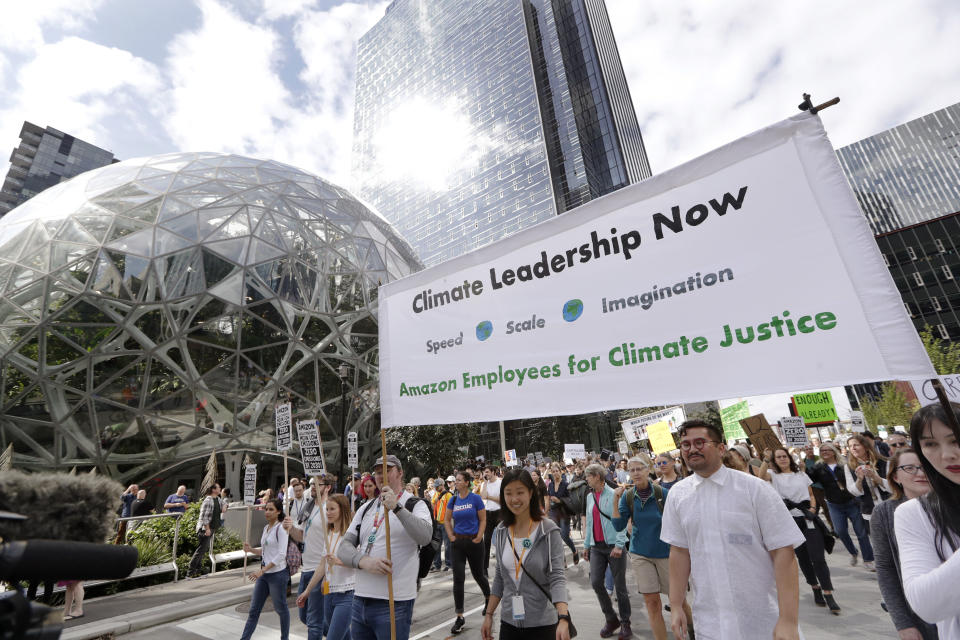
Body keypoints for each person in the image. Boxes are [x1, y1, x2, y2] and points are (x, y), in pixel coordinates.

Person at [661, 419, 805, 640]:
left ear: (721, 448)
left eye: (700, 442)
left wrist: (788, 620)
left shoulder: (754, 489)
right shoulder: (677, 495)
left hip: (764, 621)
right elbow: (679, 552)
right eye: (686, 444)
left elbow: (783, 553)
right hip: (709, 623)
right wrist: (676, 604)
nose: (692, 449)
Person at [336, 455, 433, 640]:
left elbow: (425, 536)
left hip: (394, 604)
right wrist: (364, 561)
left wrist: (397, 508)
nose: (381, 476)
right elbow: (343, 547)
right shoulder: (366, 508)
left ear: (400, 473)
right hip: (360, 600)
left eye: (387, 470)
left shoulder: (415, 504)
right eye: (378, 472)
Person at [481, 469, 571, 640]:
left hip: (542, 625)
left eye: (520, 492)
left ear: (531, 493)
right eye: (508, 493)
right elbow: (500, 576)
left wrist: (563, 618)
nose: (514, 499)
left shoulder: (548, 530)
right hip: (508, 623)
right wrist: (489, 615)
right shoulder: (500, 532)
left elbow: (557, 577)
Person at [895, 403, 960, 638]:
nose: (947, 454)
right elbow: (927, 606)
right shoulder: (915, 514)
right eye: (930, 444)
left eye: (955, 440)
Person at [612, 454, 692, 640]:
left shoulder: (662, 493)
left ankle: (694, 632)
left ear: (648, 470)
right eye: (632, 470)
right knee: (652, 603)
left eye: (639, 469)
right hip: (640, 553)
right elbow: (618, 526)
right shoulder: (628, 496)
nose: (636, 473)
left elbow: (678, 523)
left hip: (666, 553)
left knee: (678, 601)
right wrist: (616, 501)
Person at [871, 447, 938, 640]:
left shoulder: (949, 503)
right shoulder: (884, 513)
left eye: (925, 466)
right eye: (910, 468)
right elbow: (886, 568)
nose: (920, 473)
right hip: (920, 612)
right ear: (895, 477)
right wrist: (903, 623)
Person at [763, 447, 841, 614]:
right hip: (789, 521)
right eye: (779, 457)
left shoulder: (801, 474)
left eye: (785, 456)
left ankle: (828, 593)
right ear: (774, 461)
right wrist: (765, 459)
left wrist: (813, 508)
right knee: (803, 557)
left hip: (808, 518)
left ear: (789, 458)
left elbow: (811, 494)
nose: (783, 459)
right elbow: (761, 477)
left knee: (818, 557)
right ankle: (815, 587)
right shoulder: (773, 475)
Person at [808, 442, 875, 568]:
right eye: (822, 451)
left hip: (852, 502)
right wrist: (803, 467)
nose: (825, 452)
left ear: (834, 451)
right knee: (841, 532)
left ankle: (868, 560)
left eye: (828, 450)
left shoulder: (845, 464)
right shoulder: (818, 468)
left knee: (861, 533)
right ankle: (853, 552)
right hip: (834, 505)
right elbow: (808, 479)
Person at [583, 462, 631, 639]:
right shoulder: (589, 497)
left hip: (613, 546)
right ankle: (611, 619)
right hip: (597, 547)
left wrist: (619, 545)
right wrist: (587, 545)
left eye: (589, 476)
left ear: (597, 476)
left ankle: (626, 623)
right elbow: (589, 523)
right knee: (596, 582)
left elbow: (621, 521)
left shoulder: (613, 494)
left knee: (620, 587)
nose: (586, 479)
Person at [445, 470, 491, 634]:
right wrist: (451, 536)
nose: (455, 482)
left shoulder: (475, 498)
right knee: (458, 579)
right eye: (455, 480)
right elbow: (446, 519)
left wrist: (479, 537)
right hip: (458, 543)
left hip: (474, 542)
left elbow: (483, 519)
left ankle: (488, 597)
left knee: (478, 574)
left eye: (458, 480)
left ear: (466, 482)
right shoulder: (454, 500)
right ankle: (460, 616)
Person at [240, 499, 290, 640]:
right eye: (266, 509)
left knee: (281, 609)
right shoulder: (265, 528)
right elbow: (265, 551)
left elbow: (281, 555)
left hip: (277, 575)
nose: (267, 512)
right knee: (253, 611)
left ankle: (284, 638)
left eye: (271, 509)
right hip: (264, 575)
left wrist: (262, 570)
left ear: (278, 511)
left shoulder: (282, 529)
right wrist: (251, 550)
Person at [284, 478, 327, 640]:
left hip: (320, 568)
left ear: (328, 487)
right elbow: (301, 536)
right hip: (306, 568)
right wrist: (291, 528)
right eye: (311, 485)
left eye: (318, 484)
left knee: (314, 621)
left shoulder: (328, 509)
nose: (313, 487)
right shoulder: (309, 507)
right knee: (304, 616)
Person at [845, 433, 890, 554]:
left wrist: (875, 477)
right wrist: (859, 479)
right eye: (850, 446)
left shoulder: (883, 461)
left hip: (889, 507)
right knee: (881, 547)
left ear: (865, 446)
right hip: (869, 511)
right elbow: (853, 491)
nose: (853, 448)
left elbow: (894, 487)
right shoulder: (849, 466)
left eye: (856, 445)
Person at [188, 483, 222, 578]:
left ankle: (197, 572)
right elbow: (204, 516)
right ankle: (190, 573)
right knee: (200, 550)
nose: (220, 489)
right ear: (214, 490)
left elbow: (224, 504)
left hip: (212, 528)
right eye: (218, 487)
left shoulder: (218, 499)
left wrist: (225, 507)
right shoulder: (208, 501)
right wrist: (207, 529)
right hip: (205, 529)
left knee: (203, 550)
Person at [547, 464, 579, 565]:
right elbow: (548, 497)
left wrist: (559, 500)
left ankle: (574, 551)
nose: (555, 473)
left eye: (557, 471)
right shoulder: (550, 485)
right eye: (553, 471)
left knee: (564, 535)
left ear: (560, 472)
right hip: (553, 513)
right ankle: (562, 559)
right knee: (556, 537)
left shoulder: (565, 484)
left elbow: (570, 499)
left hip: (564, 512)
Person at [479, 465, 503, 575]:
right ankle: (484, 568)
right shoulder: (484, 484)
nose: (486, 474)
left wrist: (490, 497)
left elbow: (502, 500)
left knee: (501, 540)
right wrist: (484, 484)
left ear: (494, 472)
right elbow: (483, 496)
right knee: (486, 541)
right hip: (488, 513)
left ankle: (503, 565)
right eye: (485, 472)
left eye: (487, 472)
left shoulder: (500, 482)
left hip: (499, 513)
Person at [432, 478, 454, 572]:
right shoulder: (436, 494)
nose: (436, 488)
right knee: (436, 545)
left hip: (445, 523)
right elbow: (432, 505)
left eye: (437, 486)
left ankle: (449, 564)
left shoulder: (448, 495)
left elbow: (452, 508)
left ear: (442, 485)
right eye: (435, 487)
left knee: (447, 545)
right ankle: (437, 565)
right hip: (437, 523)